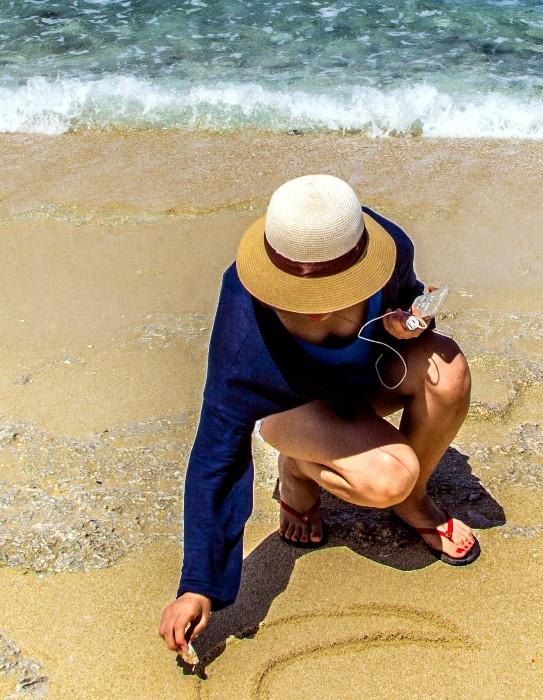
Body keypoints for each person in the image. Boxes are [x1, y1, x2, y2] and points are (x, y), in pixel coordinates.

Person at [158, 174, 476, 658]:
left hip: (367, 378)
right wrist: (197, 585)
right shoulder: (241, 330)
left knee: (448, 369)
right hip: (294, 408)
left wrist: (411, 320)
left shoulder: (388, 247)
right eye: (294, 294)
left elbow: (411, 297)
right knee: (392, 475)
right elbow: (215, 454)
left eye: (333, 291)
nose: (313, 314)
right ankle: (300, 465)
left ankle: (413, 503)